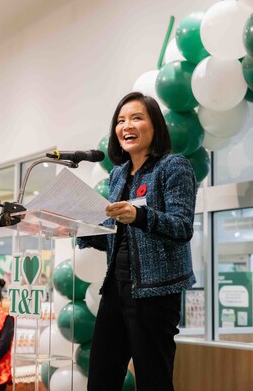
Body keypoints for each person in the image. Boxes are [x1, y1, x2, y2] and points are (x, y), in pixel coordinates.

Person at [78, 91, 197, 391]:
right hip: (116, 290)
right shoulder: (118, 175)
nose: (126, 125)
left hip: (155, 294)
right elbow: (117, 235)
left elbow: (182, 227)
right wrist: (78, 228)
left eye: (136, 118)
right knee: (101, 381)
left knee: (153, 381)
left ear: (155, 125)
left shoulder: (173, 166)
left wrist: (140, 216)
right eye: (120, 120)